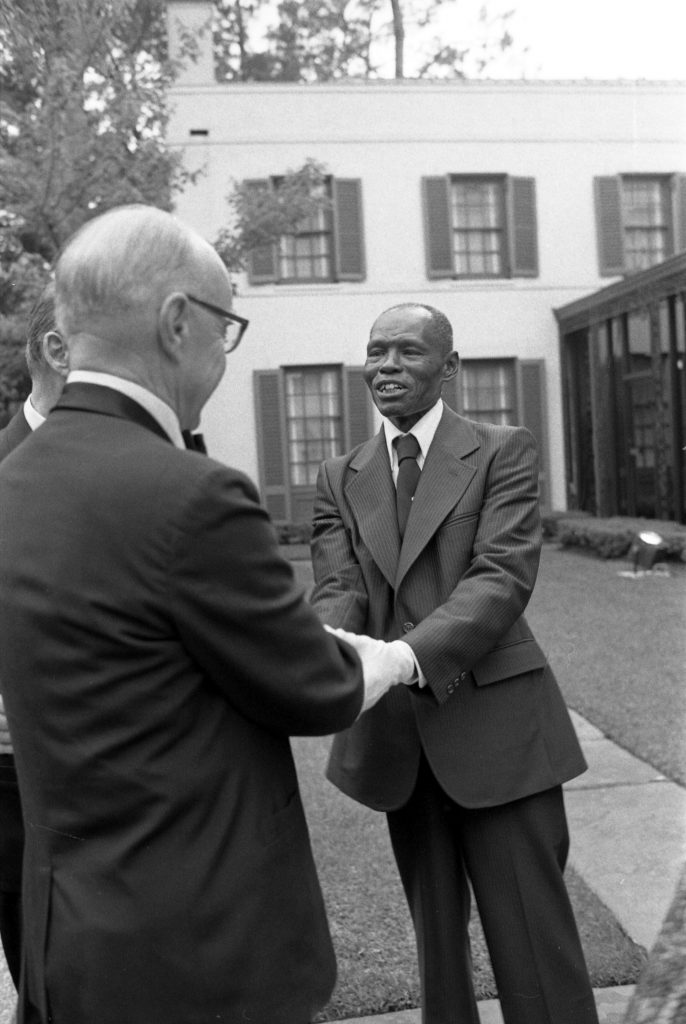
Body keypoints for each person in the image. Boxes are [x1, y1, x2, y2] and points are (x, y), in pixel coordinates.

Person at [0, 205, 405, 1024]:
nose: (225, 351)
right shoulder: (193, 493)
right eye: (227, 326)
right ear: (178, 322)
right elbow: (313, 688)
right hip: (199, 954)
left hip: (68, 941)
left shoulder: (12, 482)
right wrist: (386, 657)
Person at [310, 302, 600, 1024]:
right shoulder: (340, 476)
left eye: (408, 352)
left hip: (500, 734)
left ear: (450, 367)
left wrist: (402, 658)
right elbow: (339, 590)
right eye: (376, 351)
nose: (386, 366)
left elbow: (500, 577)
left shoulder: (502, 450)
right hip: (400, 746)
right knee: (438, 956)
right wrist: (319, 651)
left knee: (535, 952)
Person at [0, 283, 68, 991]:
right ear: (56, 350)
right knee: (45, 983)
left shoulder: (157, 464)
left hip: (139, 786)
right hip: (18, 791)